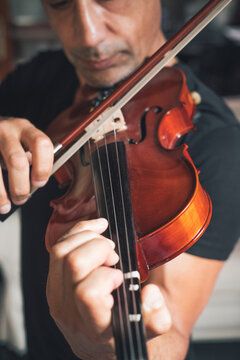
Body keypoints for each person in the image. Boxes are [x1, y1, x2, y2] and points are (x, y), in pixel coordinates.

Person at [0, 1, 240, 359]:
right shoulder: (40, 76)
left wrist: (104, 349)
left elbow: (170, 330)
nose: (89, 36)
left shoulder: (216, 142)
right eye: (61, 3)